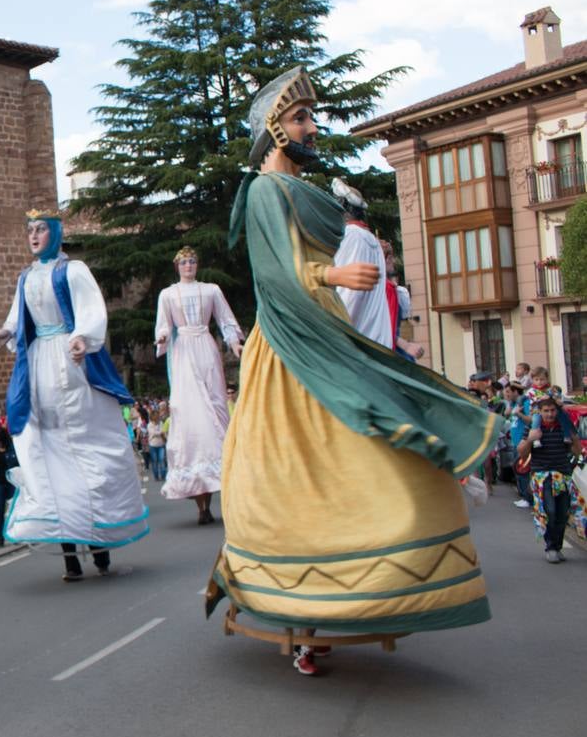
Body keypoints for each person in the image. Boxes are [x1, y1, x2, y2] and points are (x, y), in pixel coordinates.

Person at [208, 67, 495, 677]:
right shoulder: (264, 192)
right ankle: (303, 618)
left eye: (311, 116)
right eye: (300, 118)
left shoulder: (298, 192)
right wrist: (330, 276)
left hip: (326, 331)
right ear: (274, 131)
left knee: (364, 463)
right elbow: (274, 276)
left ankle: (353, 597)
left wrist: (334, 288)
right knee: (299, 479)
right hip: (289, 349)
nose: (312, 127)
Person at [0, 208, 149, 581]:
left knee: (85, 452)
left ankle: (99, 543)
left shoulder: (73, 270)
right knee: (51, 455)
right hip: (39, 363)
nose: (33, 235)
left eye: (41, 228)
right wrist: (6, 332)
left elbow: (92, 311)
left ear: (55, 233)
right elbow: (18, 316)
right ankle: (70, 555)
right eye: (29, 230)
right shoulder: (25, 277)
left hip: (71, 361)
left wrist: (81, 339)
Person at [154, 246, 242, 524]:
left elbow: (226, 320)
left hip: (205, 346)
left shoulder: (211, 290)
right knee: (189, 410)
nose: (188, 266)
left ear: (197, 264)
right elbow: (163, 325)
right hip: (183, 352)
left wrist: (234, 342)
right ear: (177, 266)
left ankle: (224, 479)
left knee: (216, 406)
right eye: (183, 262)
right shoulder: (168, 294)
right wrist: (163, 336)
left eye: (192, 261)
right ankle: (200, 502)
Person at [518, 394, 587, 563]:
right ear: (540, 412)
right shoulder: (533, 428)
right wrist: (530, 440)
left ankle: (557, 547)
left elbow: (577, 452)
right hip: (542, 477)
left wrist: (575, 438)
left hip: (562, 475)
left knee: (563, 514)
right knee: (550, 511)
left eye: (552, 410)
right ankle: (550, 547)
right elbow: (521, 453)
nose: (550, 414)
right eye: (546, 411)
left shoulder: (563, 428)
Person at [330, 180, 391, 348]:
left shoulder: (351, 236)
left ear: (342, 204)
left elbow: (348, 291)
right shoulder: (370, 239)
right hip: (371, 336)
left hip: (354, 339)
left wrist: (335, 330)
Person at [146, 403, 168, 483]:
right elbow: (154, 433)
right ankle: (156, 476)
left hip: (161, 445)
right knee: (155, 462)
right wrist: (159, 432)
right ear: (153, 418)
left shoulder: (161, 423)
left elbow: (163, 432)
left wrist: (159, 433)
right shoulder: (149, 425)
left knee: (162, 460)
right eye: (157, 418)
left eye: (158, 417)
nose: (158, 419)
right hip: (153, 445)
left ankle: (163, 475)